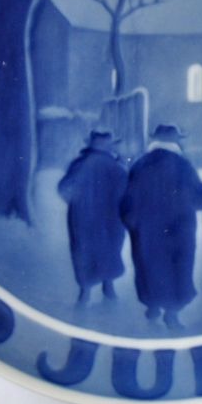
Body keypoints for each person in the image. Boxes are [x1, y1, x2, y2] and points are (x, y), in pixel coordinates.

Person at [120, 124, 202, 329]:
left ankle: (152, 304)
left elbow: (127, 200)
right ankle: (172, 313)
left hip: (147, 229)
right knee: (177, 267)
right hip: (179, 228)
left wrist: (132, 222)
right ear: (175, 141)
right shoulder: (183, 165)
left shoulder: (140, 165)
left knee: (149, 266)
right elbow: (201, 198)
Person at [58, 130, 127, 305]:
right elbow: (127, 191)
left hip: (84, 218)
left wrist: (77, 205)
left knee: (84, 252)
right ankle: (108, 287)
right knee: (109, 250)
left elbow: (64, 189)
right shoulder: (115, 167)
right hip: (110, 218)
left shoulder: (80, 164)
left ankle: (85, 292)